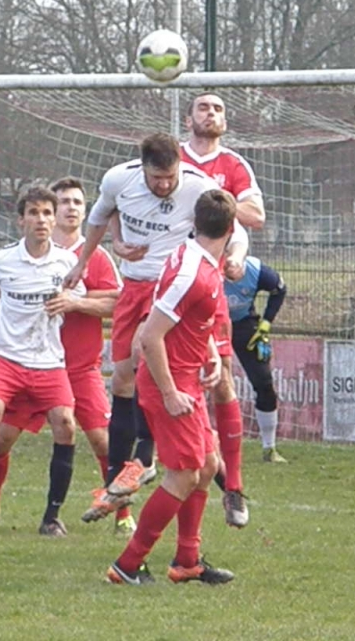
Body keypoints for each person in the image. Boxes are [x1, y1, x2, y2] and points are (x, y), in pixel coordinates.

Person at [64, 133, 249, 524]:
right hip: (135, 286)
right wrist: (87, 261)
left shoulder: (200, 186)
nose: (164, 185)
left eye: (170, 177)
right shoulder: (119, 180)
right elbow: (98, 217)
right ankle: (120, 478)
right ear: (142, 167)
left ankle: (232, 486)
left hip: (184, 290)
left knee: (219, 382)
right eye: (157, 178)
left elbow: (235, 228)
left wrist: (236, 256)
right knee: (122, 380)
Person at [0, 177, 136, 534]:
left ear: (86, 212)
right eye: (64, 201)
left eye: (78, 203)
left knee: (103, 440)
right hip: (29, 364)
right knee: (1, 438)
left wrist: (77, 302)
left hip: (78, 370)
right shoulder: (24, 254)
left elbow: (119, 304)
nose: (71, 208)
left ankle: (121, 514)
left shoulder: (95, 257)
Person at [107, 189, 238, 586]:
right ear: (231, 230)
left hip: (187, 379)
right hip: (171, 385)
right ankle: (127, 565)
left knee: (208, 465)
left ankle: (187, 562)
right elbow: (150, 336)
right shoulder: (193, 274)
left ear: (194, 223)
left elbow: (190, 325)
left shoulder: (194, 258)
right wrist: (168, 392)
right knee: (182, 475)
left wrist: (210, 352)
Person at [0, 187, 80, 537]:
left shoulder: (67, 262)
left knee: (66, 424)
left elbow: (82, 298)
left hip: (48, 360)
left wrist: (71, 301)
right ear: (21, 220)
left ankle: (52, 516)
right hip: (6, 356)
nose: (42, 219)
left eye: (47, 212)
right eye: (34, 213)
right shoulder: (1, 260)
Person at [179, 92, 265, 528]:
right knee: (137, 367)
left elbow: (255, 214)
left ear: (224, 122)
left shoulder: (233, 165)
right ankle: (138, 460)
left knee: (221, 382)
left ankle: (232, 486)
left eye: (217, 109)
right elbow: (125, 199)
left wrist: (231, 241)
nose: (210, 114)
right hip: (170, 281)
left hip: (210, 288)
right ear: (187, 117)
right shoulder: (170, 160)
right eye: (202, 108)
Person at [226, 255, 289, 463]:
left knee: (264, 383)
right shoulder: (205, 267)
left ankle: (269, 448)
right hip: (209, 325)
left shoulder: (258, 271)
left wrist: (266, 323)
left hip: (244, 324)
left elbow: (279, 290)